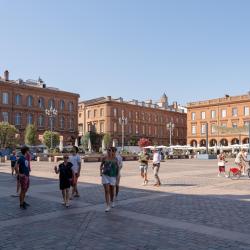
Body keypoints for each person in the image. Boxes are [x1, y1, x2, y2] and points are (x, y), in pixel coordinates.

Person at [100, 147, 119, 212]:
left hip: (113, 176)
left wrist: (117, 176)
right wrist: (101, 173)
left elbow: (118, 168)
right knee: (106, 190)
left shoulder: (115, 159)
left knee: (112, 190)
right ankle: (107, 205)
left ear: (112, 151)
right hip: (105, 175)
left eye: (110, 150)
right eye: (108, 150)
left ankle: (112, 201)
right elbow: (101, 165)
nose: (109, 151)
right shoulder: (104, 158)